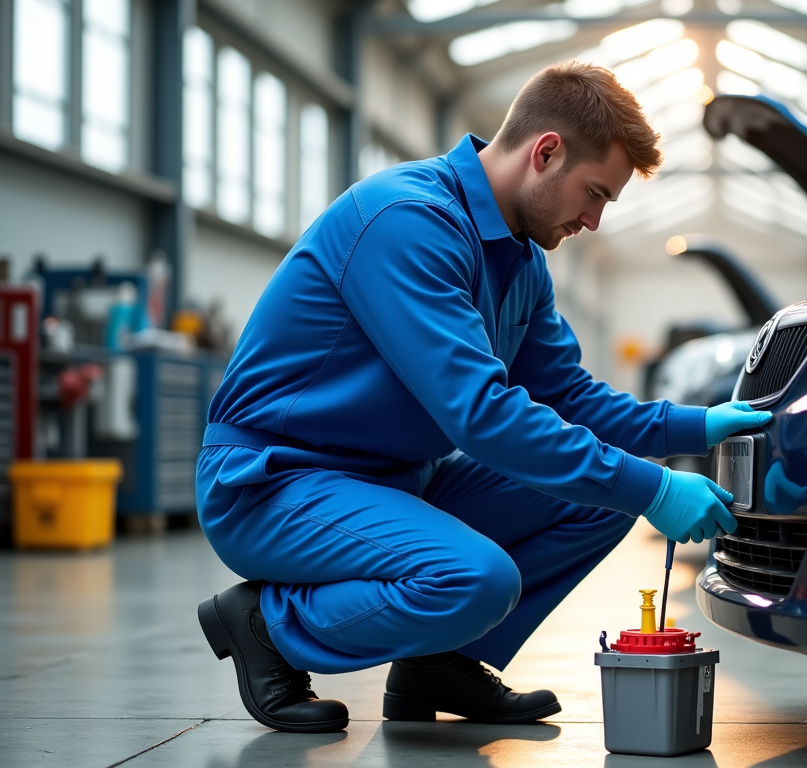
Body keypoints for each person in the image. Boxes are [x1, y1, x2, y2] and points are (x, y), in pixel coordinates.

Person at [193, 60, 771, 734]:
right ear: (545, 151)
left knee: (597, 500)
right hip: (274, 484)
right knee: (476, 578)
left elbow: (569, 398)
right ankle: (266, 625)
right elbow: (479, 413)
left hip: (394, 483)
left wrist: (696, 427)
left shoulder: (521, 259)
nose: (592, 219)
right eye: (594, 194)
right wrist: (654, 490)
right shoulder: (407, 223)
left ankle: (438, 661)